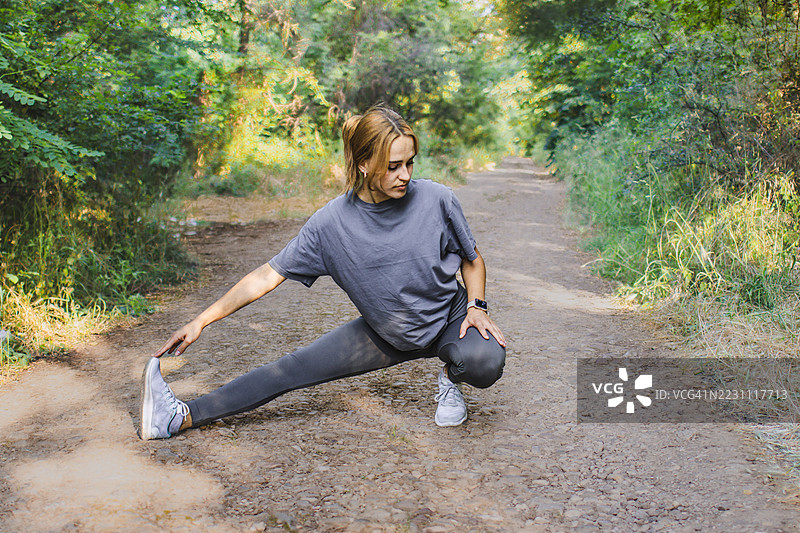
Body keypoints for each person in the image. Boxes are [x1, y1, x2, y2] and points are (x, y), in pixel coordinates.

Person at [140, 104, 506, 440]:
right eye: (393, 166)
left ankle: (448, 379)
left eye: (410, 163)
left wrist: (476, 306)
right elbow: (267, 275)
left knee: (485, 361)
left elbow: (471, 259)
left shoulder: (437, 199)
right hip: (387, 332)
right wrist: (201, 321)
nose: (405, 175)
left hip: (450, 317)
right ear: (364, 163)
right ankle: (178, 416)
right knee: (289, 370)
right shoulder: (330, 225)